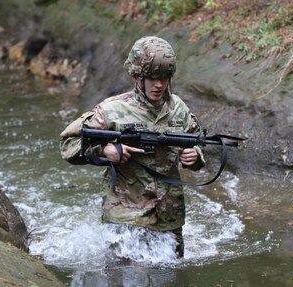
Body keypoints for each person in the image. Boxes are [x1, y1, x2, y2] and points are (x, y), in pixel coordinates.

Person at [59, 36, 205, 257]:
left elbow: (196, 143)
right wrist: (104, 151)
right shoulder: (111, 110)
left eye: (165, 77)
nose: (159, 85)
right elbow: (68, 145)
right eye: (153, 78)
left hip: (169, 216)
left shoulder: (179, 109)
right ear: (136, 76)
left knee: (172, 279)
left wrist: (195, 157)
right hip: (124, 217)